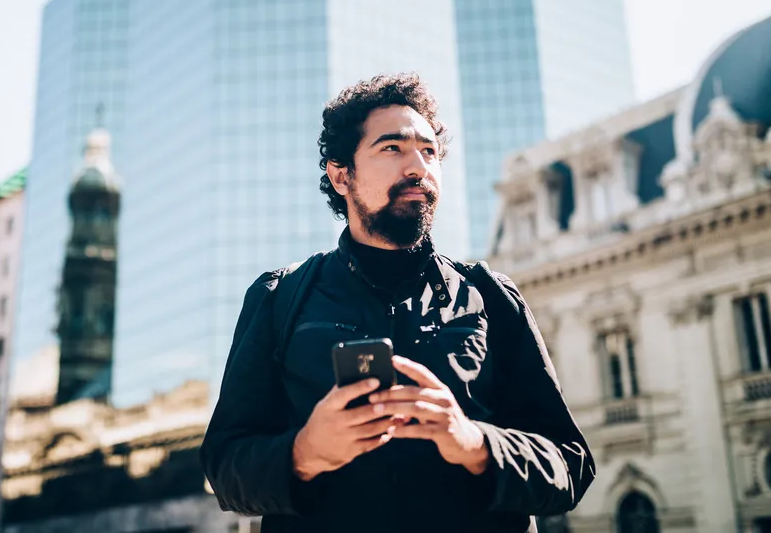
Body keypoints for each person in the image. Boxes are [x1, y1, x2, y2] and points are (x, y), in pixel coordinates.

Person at [200, 73, 594, 532]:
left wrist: (476, 444)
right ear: (341, 174)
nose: (418, 167)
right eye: (393, 148)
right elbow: (225, 465)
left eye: (429, 152)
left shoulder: (492, 297)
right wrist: (304, 453)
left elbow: (571, 465)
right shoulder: (280, 297)